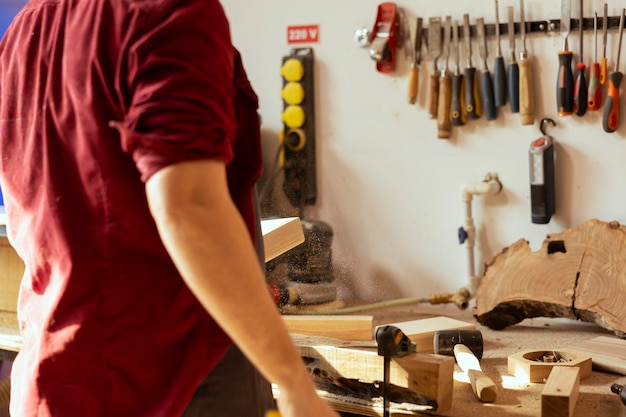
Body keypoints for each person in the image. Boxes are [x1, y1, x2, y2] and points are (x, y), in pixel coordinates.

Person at [0, 0, 340, 416]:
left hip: (56, 377)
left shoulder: (26, 29)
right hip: (166, 385)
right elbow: (189, 206)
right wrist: (294, 386)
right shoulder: (168, 10)